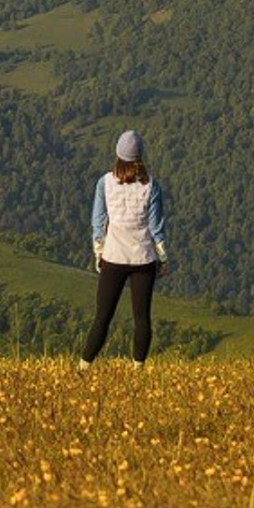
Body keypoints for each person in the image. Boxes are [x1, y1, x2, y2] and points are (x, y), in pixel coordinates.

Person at [79, 128, 168, 367]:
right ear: (140, 156)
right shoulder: (152, 186)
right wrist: (163, 258)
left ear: (118, 154)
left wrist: (98, 252)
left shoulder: (105, 183)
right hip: (143, 258)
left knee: (102, 317)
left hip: (113, 256)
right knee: (142, 317)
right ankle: (138, 369)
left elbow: (98, 222)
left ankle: (83, 367)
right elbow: (156, 227)